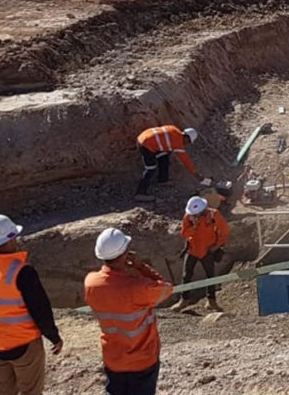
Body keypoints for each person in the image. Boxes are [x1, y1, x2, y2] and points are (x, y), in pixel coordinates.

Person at [0, 214, 62, 395]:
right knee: (30, 392)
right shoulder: (23, 272)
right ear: (10, 239)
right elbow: (40, 310)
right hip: (24, 345)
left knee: (5, 392)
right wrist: (54, 337)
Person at [84, 228, 172, 395]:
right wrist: (141, 267)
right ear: (125, 254)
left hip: (113, 360)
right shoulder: (138, 288)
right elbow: (166, 288)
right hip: (142, 361)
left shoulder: (90, 283)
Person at [176, 196, 229, 312]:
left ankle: (211, 301)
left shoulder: (214, 215)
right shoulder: (188, 217)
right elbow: (184, 233)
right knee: (186, 275)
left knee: (210, 276)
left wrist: (217, 245)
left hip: (208, 250)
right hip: (193, 249)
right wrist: (193, 227)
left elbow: (225, 231)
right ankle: (183, 300)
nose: (195, 216)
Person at [135, 125, 198, 199]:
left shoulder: (174, 129)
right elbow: (186, 161)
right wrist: (196, 174)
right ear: (187, 138)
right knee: (150, 169)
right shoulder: (177, 143)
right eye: (189, 142)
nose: (187, 144)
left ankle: (163, 180)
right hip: (146, 145)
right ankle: (140, 193)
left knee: (164, 155)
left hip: (143, 138)